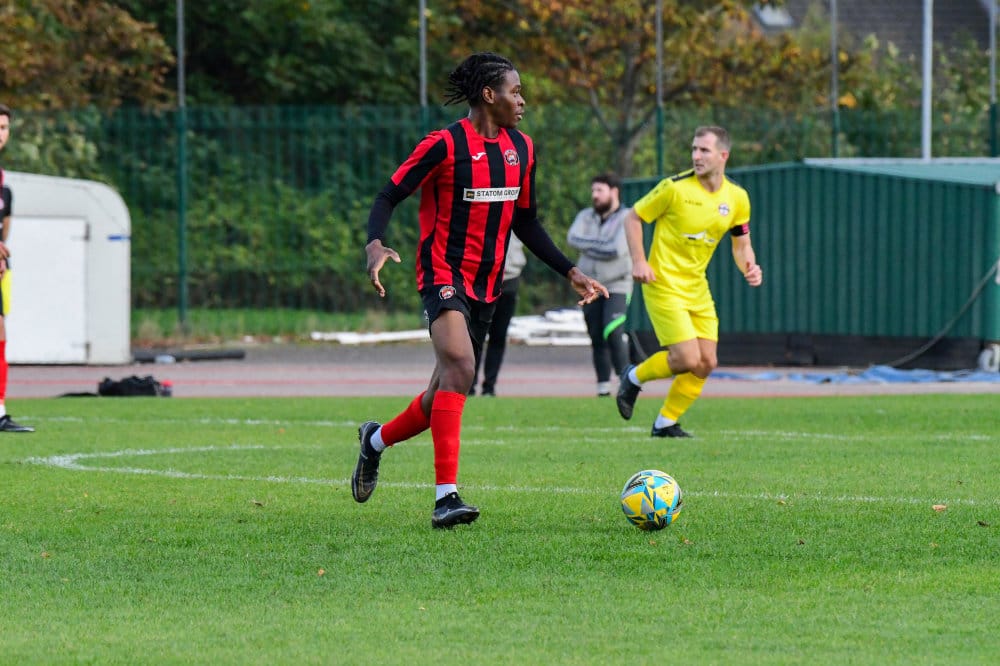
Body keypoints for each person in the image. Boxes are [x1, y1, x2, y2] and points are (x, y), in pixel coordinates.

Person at [352, 52, 608, 528]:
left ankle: (374, 440)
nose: (522, 101)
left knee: (442, 393)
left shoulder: (523, 150)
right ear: (489, 95)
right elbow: (389, 194)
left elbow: (526, 221)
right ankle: (445, 498)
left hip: (489, 283)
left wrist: (569, 270)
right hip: (442, 272)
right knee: (462, 366)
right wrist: (375, 244)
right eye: (516, 91)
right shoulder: (444, 145)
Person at [616, 126, 762, 438]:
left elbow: (741, 245)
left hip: (697, 287)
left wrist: (749, 266)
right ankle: (634, 377)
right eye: (694, 149)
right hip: (663, 282)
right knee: (686, 358)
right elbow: (632, 217)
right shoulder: (674, 188)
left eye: (704, 150)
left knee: (706, 362)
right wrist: (639, 261)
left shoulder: (737, 198)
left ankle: (665, 423)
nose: (696, 156)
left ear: (723, 155)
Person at [567, 173, 633, 397]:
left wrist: (588, 246)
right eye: (593, 190)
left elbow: (616, 249)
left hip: (617, 285)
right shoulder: (585, 216)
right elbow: (572, 238)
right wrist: (601, 244)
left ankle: (626, 382)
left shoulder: (627, 217)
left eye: (599, 190)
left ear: (614, 192)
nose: (594, 195)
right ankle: (603, 387)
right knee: (596, 334)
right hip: (590, 286)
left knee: (612, 331)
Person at [0, 104, 33, 433]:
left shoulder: (3, 182)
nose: (0, 134)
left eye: (4, 127)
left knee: (0, 331)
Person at [470, 234, 525, 397]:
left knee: (499, 335)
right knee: (476, 335)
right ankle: (469, 384)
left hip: (509, 278)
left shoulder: (516, 217)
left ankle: (489, 387)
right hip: (482, 278)